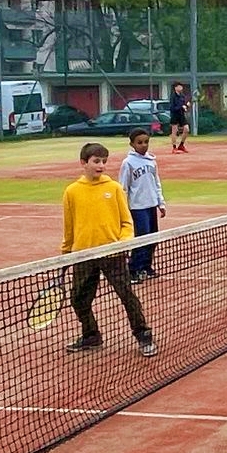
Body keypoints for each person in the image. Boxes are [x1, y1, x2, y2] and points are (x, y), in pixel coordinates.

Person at [61, 141, 157, 357]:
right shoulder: (72, 192)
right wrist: (66, 253)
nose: (101, 165)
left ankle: (143, 335)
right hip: (83, 254)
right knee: (78, 299)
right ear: (83, 163)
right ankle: (91, 335)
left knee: (126, 295)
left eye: (104, 161)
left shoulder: (114, 188)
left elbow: (126, 222)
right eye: (96, 161)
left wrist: (122, 243)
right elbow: (69, 226)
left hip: (113, 255)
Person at [119, 128, 166, 282]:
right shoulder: (128, 163)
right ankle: (134, 269)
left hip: (151, 205)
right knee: (141, 238)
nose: (143, 145)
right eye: (139, 142)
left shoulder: (152, 161)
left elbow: (156, 182)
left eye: (146, 142)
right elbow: (123, 187)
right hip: (138, 207)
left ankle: (146, 266)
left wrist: (161, 202)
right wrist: (123, 208)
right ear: (132, 144)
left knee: (152, 238)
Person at [167, 81, 190, 153]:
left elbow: (183, 105)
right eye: (179, 86)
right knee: (174, 131)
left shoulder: (182, 96)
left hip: (181, 115)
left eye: (181, 86)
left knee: (186, 129)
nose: (181, 87)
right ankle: (174, 148)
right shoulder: (173, 96)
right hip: (175, 115)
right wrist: (181, 107)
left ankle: (181, 145)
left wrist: (186, 106)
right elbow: (172, 108)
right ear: (175, 88)